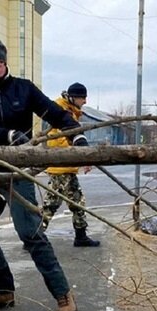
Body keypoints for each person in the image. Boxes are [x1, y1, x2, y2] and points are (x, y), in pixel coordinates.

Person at [0, 37, 87, 311]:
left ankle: (63, 294)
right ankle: (4, 290)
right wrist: (9, 135)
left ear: (1, 61)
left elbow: (58, 115)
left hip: (20, 171)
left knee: (30, 234)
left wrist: (77, 135)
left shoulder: (24, 89)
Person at [41, 83, 100, 247]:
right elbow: (59, 140)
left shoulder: (69, 110)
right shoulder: (62, 111)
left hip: (61, 167)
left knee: (53, 204)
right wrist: (81, 158)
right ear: (74, 97)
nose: (85, 102)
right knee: (74, 202)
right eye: (83, 98)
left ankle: (34, 235)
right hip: (62, 167)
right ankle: (79, 237)